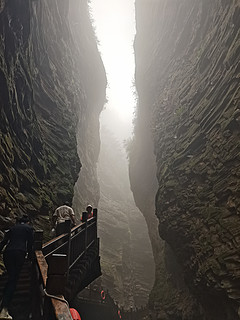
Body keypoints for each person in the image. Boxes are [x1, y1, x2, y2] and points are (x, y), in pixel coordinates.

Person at [0, 215, 34, 319]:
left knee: (11, 277)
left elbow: (4, 241)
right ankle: (4, 309)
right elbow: (30, 244)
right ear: (28, 222)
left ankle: (4, 303)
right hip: (19, 253)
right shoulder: (29, 229)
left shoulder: (12, 228)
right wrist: (30, 258)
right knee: (13, 279)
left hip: (8, 253)